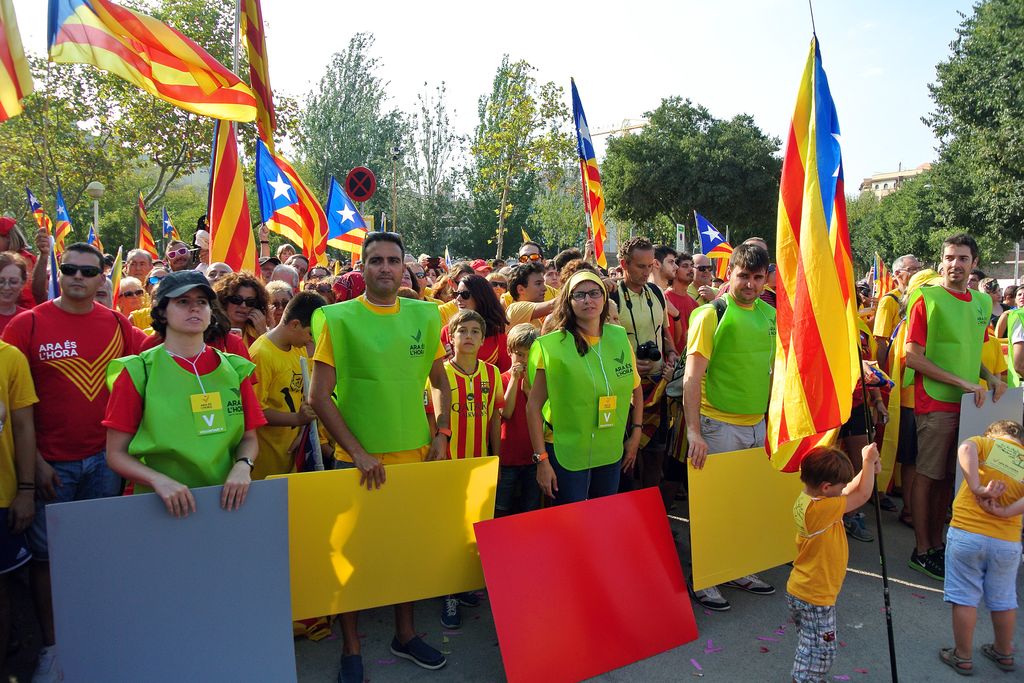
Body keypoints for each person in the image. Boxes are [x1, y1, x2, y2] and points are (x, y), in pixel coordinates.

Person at [309, 231, 451, 682]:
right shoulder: (336, 318)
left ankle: (405, 635)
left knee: (404, 550)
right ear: (362, 267)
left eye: (393, 260)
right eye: (376, 261)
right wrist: (357, 451)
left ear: (405, 266)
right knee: (352, 554)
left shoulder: (426, 315)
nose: (385, 267)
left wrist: (442, 432)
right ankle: (352, 647)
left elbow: (439, 382)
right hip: (357, 461)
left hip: (414, 453)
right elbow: (320, 396)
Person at [2, 242, 144, 682]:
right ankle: (52, 648)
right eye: (69, 269)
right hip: (49, 467)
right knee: (47, 562)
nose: (78, 277)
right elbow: (13, 406)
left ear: (104, 277)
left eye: (88, 271)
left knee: (94, 557)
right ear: (57, 273)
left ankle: (95, 640)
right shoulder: (28, 324)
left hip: (104, 462)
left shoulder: (119, 324)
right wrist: (35, 464)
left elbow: (157, 361)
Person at [104, 270, 265, 516]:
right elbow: (116, 454)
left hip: (225, 501)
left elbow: (249, 438)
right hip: (158, 505)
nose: (195, 309)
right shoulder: (138, 371)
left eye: (201, 302)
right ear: (161, 312)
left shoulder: (235, 367)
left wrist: (243, 466)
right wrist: (158, 480)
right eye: (182, 302)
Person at [904, 233, 1006, 581]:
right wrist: (960, 382)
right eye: (949, 257)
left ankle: (937, 545)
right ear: (941, 261)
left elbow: (969, 351)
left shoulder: (980, 303)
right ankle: (922, 549)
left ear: (973, 263)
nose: (955, 264)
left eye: (962, 258)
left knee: (950, 478)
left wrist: (989, 377)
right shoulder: (925, 298)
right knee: (928, 476)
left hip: (970, 406)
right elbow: (911, 357)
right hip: (935, 403)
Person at [684, 243, 777, 611]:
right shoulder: (710, 314)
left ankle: (738, 569)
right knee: (713, 506)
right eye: (743, 276)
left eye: (757, 278)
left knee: (743, 503)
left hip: (756, 424)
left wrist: (770, 422)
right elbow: (692, 377)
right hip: (717, 424)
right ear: (729, 273)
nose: (750, 285)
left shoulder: (770, 315)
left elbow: (771, 372)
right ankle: (704, 578)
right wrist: (694, 431)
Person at [527, 271, 643, 505]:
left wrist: (636, 433)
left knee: (603, 518)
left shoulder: (619, 337)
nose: (587, 300)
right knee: (571, 525)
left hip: (609, 447)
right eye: (579, 295)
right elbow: (533, 407)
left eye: (593, 293)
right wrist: (542, 460)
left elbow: (636, 388)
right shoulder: (551, 346)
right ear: (567, 302)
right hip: (566, 451)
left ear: (603, 297)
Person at [786, 444, 880, 683]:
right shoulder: (822, 509)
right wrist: (867, 462)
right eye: (837, 486)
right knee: (822, 650)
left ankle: (807, 676)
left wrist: (867, 470)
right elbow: (861, 495)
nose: (842, 489)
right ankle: (804, 679)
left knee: (811, 642)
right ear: (826, 488)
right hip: (815, 596)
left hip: (802, 589)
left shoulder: (812, 500)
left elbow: (848, 488)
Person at [939, 420, 1023, 675]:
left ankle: (963, 656)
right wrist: (1006, 511)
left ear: (994, 432)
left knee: (964, 597)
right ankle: (1003, 652)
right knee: (1004, 598)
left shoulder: (987, 443)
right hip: (1007, 541)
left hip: (968, 533)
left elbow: (965, 448)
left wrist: (976, 486)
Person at [438, 309, 503, 629]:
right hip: (448, 466)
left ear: (483, 338)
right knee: (448, 532)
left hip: (479, 465)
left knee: (472, 528)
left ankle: (461, 585)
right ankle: (447, 592)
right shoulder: (439, 374)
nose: (468, 336)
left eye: (475, 331)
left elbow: (494, 420)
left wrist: (497, 458)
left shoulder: (491, 374)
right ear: (450, 337)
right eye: (461, 330)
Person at [609, 237, 678, 491]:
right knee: (626, 459)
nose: (647, 272)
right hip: (623, 388)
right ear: (624, 264)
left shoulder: (658, 293)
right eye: (640, 266)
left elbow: (665, 335)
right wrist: (629, 365)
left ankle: (652, 515)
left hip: (657, 387)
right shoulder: (611, 294)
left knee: (656, 454)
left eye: (650, 266)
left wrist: (670, 353)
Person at [249, 291, 325, 480]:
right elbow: (255, 411)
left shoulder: (297, 347)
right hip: (266, 460)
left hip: (290, 453)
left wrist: (302, 431)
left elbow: (303, 393)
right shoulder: (261, 354)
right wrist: (297, 419)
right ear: (295, 324)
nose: (311, 340)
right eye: (310, 333)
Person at [0, 336, 37, 677]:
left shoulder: (8, 356)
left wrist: (26, 489)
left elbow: (24, 425)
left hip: (3, 495)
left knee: (3, 591)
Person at [497, 324, 541, 517]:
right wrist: (515, 381)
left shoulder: (539, 382)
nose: (524, 360)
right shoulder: (503, 379)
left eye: (529, 355)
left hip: (533, 457)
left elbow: (541, 413)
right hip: (508, 458)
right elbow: (505, 412)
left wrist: (529, 391)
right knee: (502, 507)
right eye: (519, 354)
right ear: (509, 352)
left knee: (530, 507)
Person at [442, 275, 510, 372]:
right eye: (457, 294)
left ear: (481, 297)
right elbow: (436, 375)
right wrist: (443, 362)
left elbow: (505, 376)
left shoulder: (499, 337)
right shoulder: (446, 331)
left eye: (465, 294)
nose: (458, 299)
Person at [873, 254, 921, 363]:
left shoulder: (921, 297)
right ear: (897, 274)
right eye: (913, 269)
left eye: (919, 268)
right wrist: (887, 375)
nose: (918, 273)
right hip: (898, 365)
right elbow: (880, 341)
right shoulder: (888, 301)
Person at [214, 272, 269, 347]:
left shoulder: (260, 334)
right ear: (224, 301)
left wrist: (263, 333)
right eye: (237, 299)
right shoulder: (211, 333)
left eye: (250, 302)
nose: (243, 305)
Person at [505, 262, 555, 331]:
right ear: (521, 289)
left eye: (543, 283)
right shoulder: (515, 309)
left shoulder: (534, 317)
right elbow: (553, 304)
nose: (545, 288)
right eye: (538, 284)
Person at [0, 253, 28, 334]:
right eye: (0, 281)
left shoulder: (30, 319)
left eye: (13, 282)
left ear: (23, 283)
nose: (6, 287)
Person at [1003, 286, 1024, 386]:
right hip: (1020, 385)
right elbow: (1019, 365)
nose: (1022, 297)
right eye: (1019, 294)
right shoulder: (1019, 316)